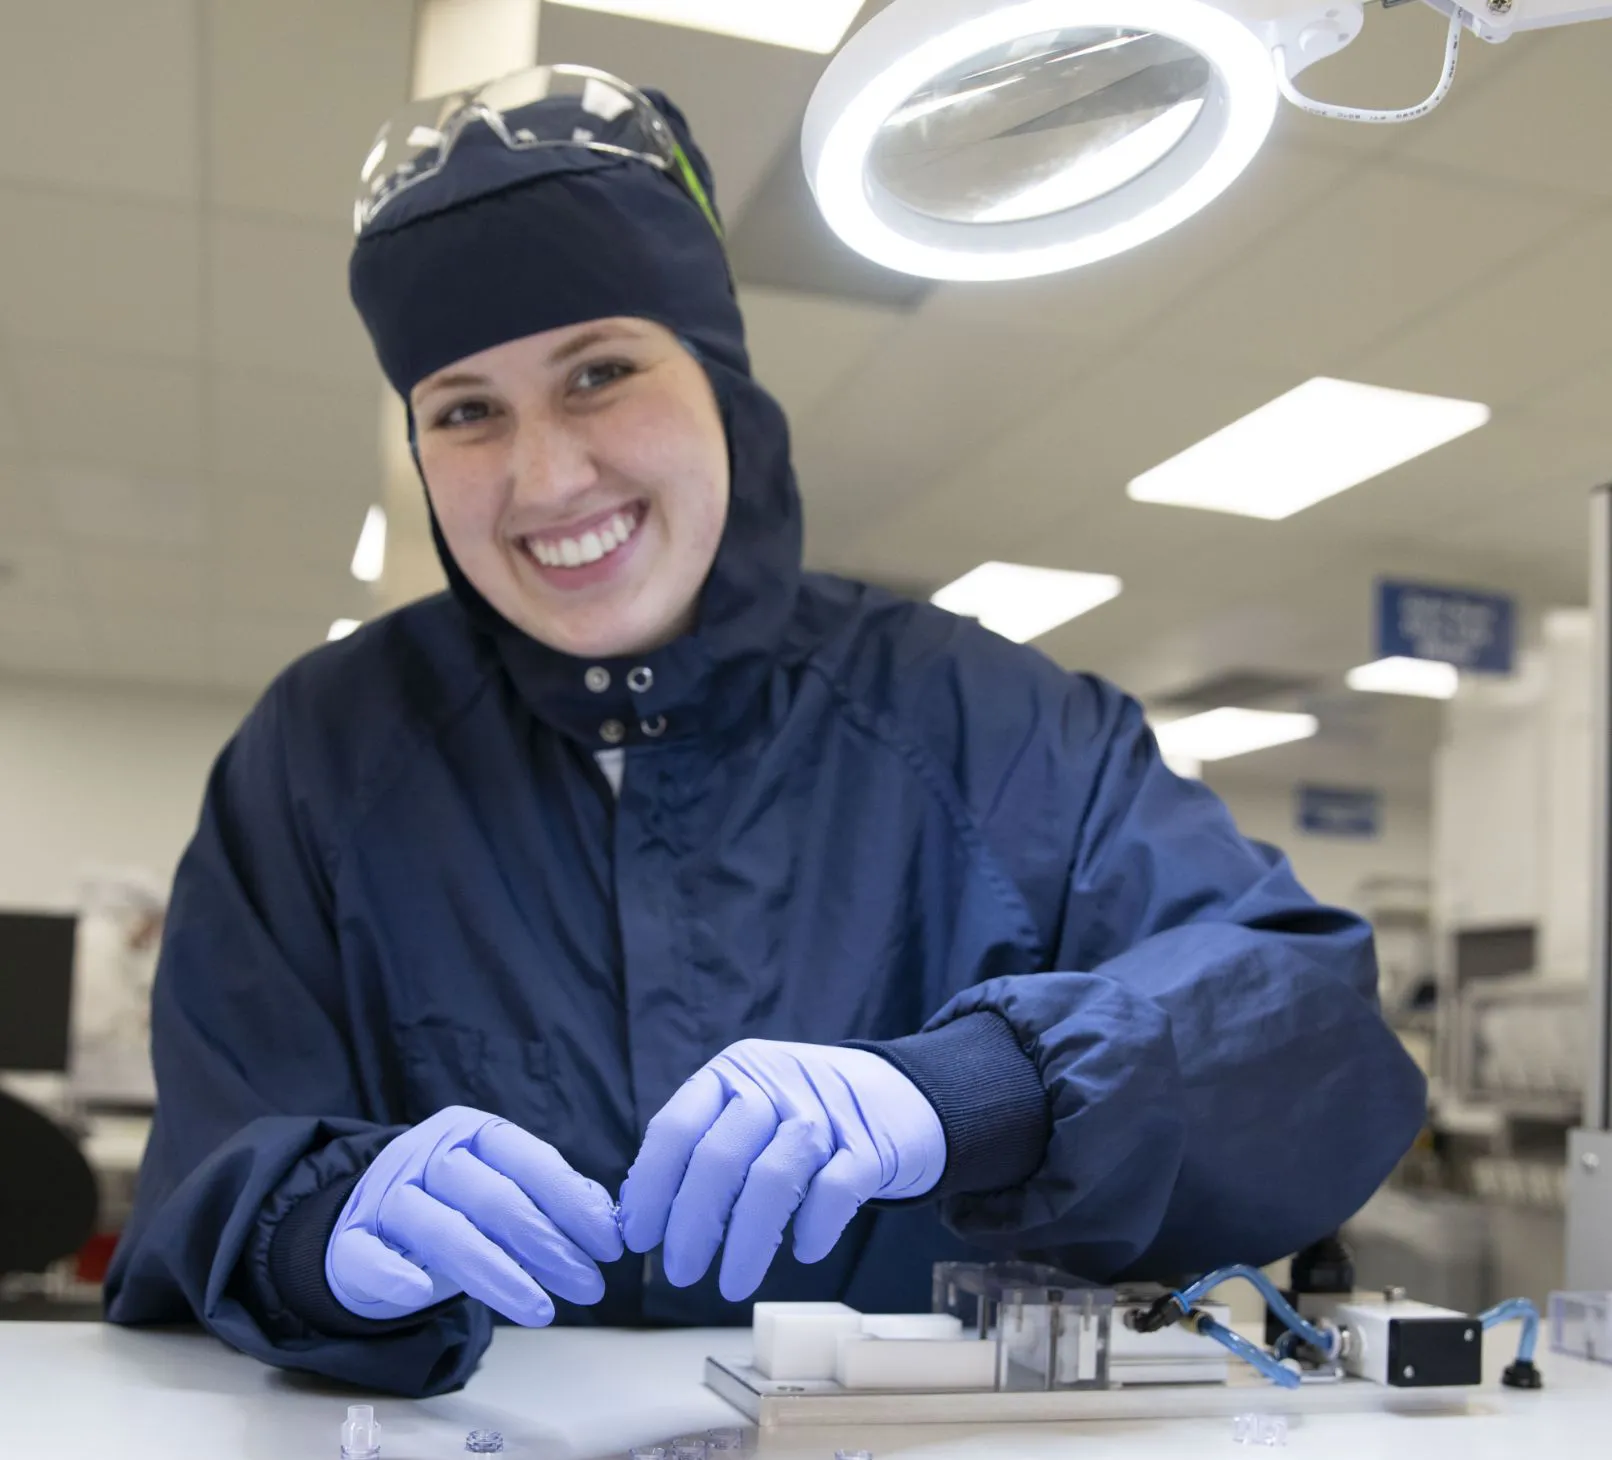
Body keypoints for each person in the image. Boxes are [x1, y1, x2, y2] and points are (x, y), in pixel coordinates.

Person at [105, 70, 1427, 1397]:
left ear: (721, 381)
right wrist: (310, 1232)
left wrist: (981, 1088)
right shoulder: (320, 759)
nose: (545, 476)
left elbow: (1304, 1032)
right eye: (465, 409)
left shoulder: (993, 725)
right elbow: (210, 1171)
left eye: (600, 373)